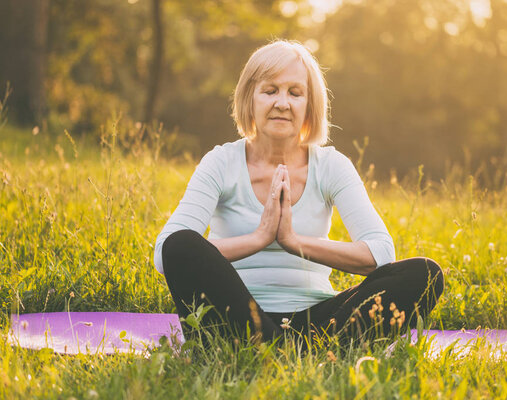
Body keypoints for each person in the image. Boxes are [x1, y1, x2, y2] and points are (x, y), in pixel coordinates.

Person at [154, 40, 443, 343]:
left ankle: (279, 349)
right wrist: (259, 238)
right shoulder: (221, 162)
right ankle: (272, 345)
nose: (282, 103)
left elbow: (381, 254)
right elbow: (166, 254)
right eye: (270, 91)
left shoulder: (331, 165)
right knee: (181, 244)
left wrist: (293, 241)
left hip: (318, 323)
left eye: (295, 93)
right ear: (249, 98)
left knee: (425, 274)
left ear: (309, 105)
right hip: (237, 317)